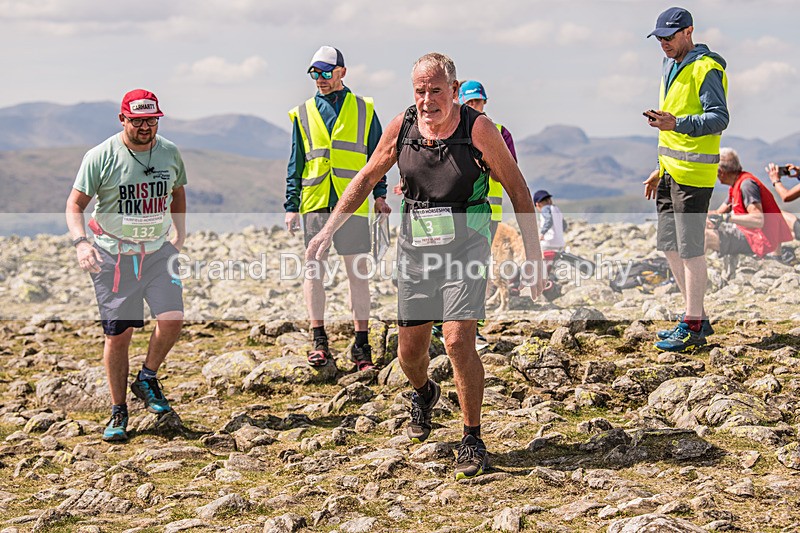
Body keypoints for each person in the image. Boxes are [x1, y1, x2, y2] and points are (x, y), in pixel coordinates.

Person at [306, 53, 545, 480]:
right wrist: (327, 230)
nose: (427, 99)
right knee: (409, 353)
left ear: (455, 91)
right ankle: (424, 392)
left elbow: (519, 191)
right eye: (420, 91)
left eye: (436, 90)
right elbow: (364, 177)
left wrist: (533, 259)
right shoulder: (403, 127)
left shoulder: (479, 129)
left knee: (456, 341)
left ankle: (471, 437)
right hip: (417, 251)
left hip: (467, 247)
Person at [65, 89, 187, 442]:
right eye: (137, 120)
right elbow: (75, 205)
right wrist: (81, 243)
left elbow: (177, 189)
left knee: (173, 319)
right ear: (123, 120)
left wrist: (180, 232)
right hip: (112, 256)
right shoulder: (101, 156)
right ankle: (119, 410)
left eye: (151, 119)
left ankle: (147, 378)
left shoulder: (169, 152)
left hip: (158, 252)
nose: (146, 127)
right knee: (119, 336)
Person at [285, 46, 391, 370]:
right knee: (314, 271)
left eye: (325, 73)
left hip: (354, 203)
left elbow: (379, 155)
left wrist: (380, 195)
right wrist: (290, 205)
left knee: (357, 274)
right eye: (314, 73)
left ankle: (361, 346)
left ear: (342, 72)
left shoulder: (364, 109)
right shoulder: (302, 113)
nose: (319, 79)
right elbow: (296, 161)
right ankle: (319, 342)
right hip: (315, 201)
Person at [642, 7, 729, 352]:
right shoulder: (669, 64)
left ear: (688, 31)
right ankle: (698, 317)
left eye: (669, 36)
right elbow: (672, 123)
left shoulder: (707, 67)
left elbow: (718, 118)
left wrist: (675, 123)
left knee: (691, 249)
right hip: (669, 171)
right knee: (669, 245)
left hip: (694, 175)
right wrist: (659, 166)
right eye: (659, 38)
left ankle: (691, 324)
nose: (663, 43)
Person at [704, 148, 793, 258]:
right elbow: (718, 213)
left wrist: (726, 218)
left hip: (761, 241)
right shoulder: (736, 185)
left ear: (721, 172)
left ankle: (693, 273)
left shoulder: (747, 185)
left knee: (705, 236)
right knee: (700, 228)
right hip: (753, 236)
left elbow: (758, 220)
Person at [458, 80, 518, 238]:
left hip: (489, 211)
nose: (473, 105)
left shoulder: (500, 133)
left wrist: (488, 163)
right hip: (455, 210)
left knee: (479, 261)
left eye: (476, 101)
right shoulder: (450, 134)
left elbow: (509, 175)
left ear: (484, 101)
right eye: (468, 102)